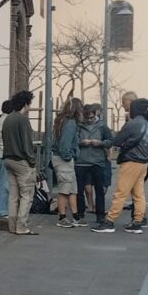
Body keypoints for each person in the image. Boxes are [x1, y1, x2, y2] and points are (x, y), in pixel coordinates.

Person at [93, 97, 148, 233]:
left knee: (120, 192)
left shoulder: (132, 124)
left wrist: (102, 143)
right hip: (143, 162)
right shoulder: (146, 124)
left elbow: (117, 141)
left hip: (131, 161)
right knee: (138, 194)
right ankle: (137, 222)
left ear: (134, 109)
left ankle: (109, 221)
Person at [2, 90, 38, 235]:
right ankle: (21, 226)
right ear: (25, 104)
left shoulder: (8, 119)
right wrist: (32, 161)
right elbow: (27, 144)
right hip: (21, 161)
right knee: (26, 195)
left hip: (8, 159)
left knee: (13, 196)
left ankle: (12, 226)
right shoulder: (23, 120)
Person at [75, 103, 111, 226]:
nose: (89, 120)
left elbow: (111, 141)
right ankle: (80, 214)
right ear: (83, 116)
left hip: (97, 161)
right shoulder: (78, 126)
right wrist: (81, 142)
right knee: (79, 190)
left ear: (95, 115)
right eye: (87, 118)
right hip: (81, 162)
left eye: (91, 117)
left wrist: (100, 143)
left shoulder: (102, 126)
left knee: (99, 190)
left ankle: (100, 215)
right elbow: (74, 141)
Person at [51, 97, 84, 227]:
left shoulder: (61, 121)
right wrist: (69, 156)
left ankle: (75, 216)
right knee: (65, 189)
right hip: (63, 159)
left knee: (71, 188)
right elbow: (64, 145)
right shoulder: (70, 123)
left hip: (60, 158)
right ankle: (62, 217)